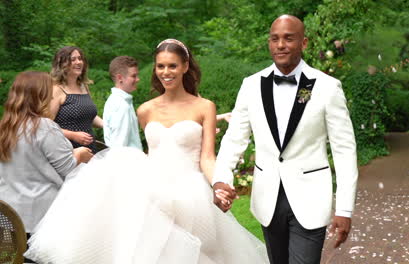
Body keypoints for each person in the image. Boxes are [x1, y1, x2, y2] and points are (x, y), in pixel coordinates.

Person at [24, 39, 268, 264]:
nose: (166, 72)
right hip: (153, 190)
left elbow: (207, 157)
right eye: (160, 66)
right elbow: (152, 153)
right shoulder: (145, 110)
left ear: (185, 66)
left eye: (172, 66)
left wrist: (218, 184)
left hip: (191, 194)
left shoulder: (205, 107)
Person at [213, 15, 359, 264]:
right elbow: (234, 139)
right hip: (267, 200)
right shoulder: (251, 86)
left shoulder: (326, 87)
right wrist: (220, 181)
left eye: (288, 38)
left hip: (311, 198)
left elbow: (344, 150)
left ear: (304, 43)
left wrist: (344, 208)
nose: (280, 44)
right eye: (274, 38)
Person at [0, 71, 93, 235]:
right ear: (39, 96)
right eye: (49, 93)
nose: (51, 97)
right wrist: (79, 154)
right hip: (41, 219)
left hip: (8, 217)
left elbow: (30, 160)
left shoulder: (5, 127)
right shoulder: (44, 126)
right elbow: (69, 170)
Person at [50, 46, 103, 153]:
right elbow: (45, 127)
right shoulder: (56, 89)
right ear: (62, 64)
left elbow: (88, 116)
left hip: (89, 149)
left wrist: (107, 125)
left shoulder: (83, 86)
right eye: (73, 59)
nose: (78, 62)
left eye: (80, 58)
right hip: (68, 151)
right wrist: (73, 135)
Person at [103, 56, 142, 150]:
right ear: (120, 78)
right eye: (133, 76)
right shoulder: (121, 105)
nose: (138, 79)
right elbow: (119, 146)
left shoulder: (120, 101)